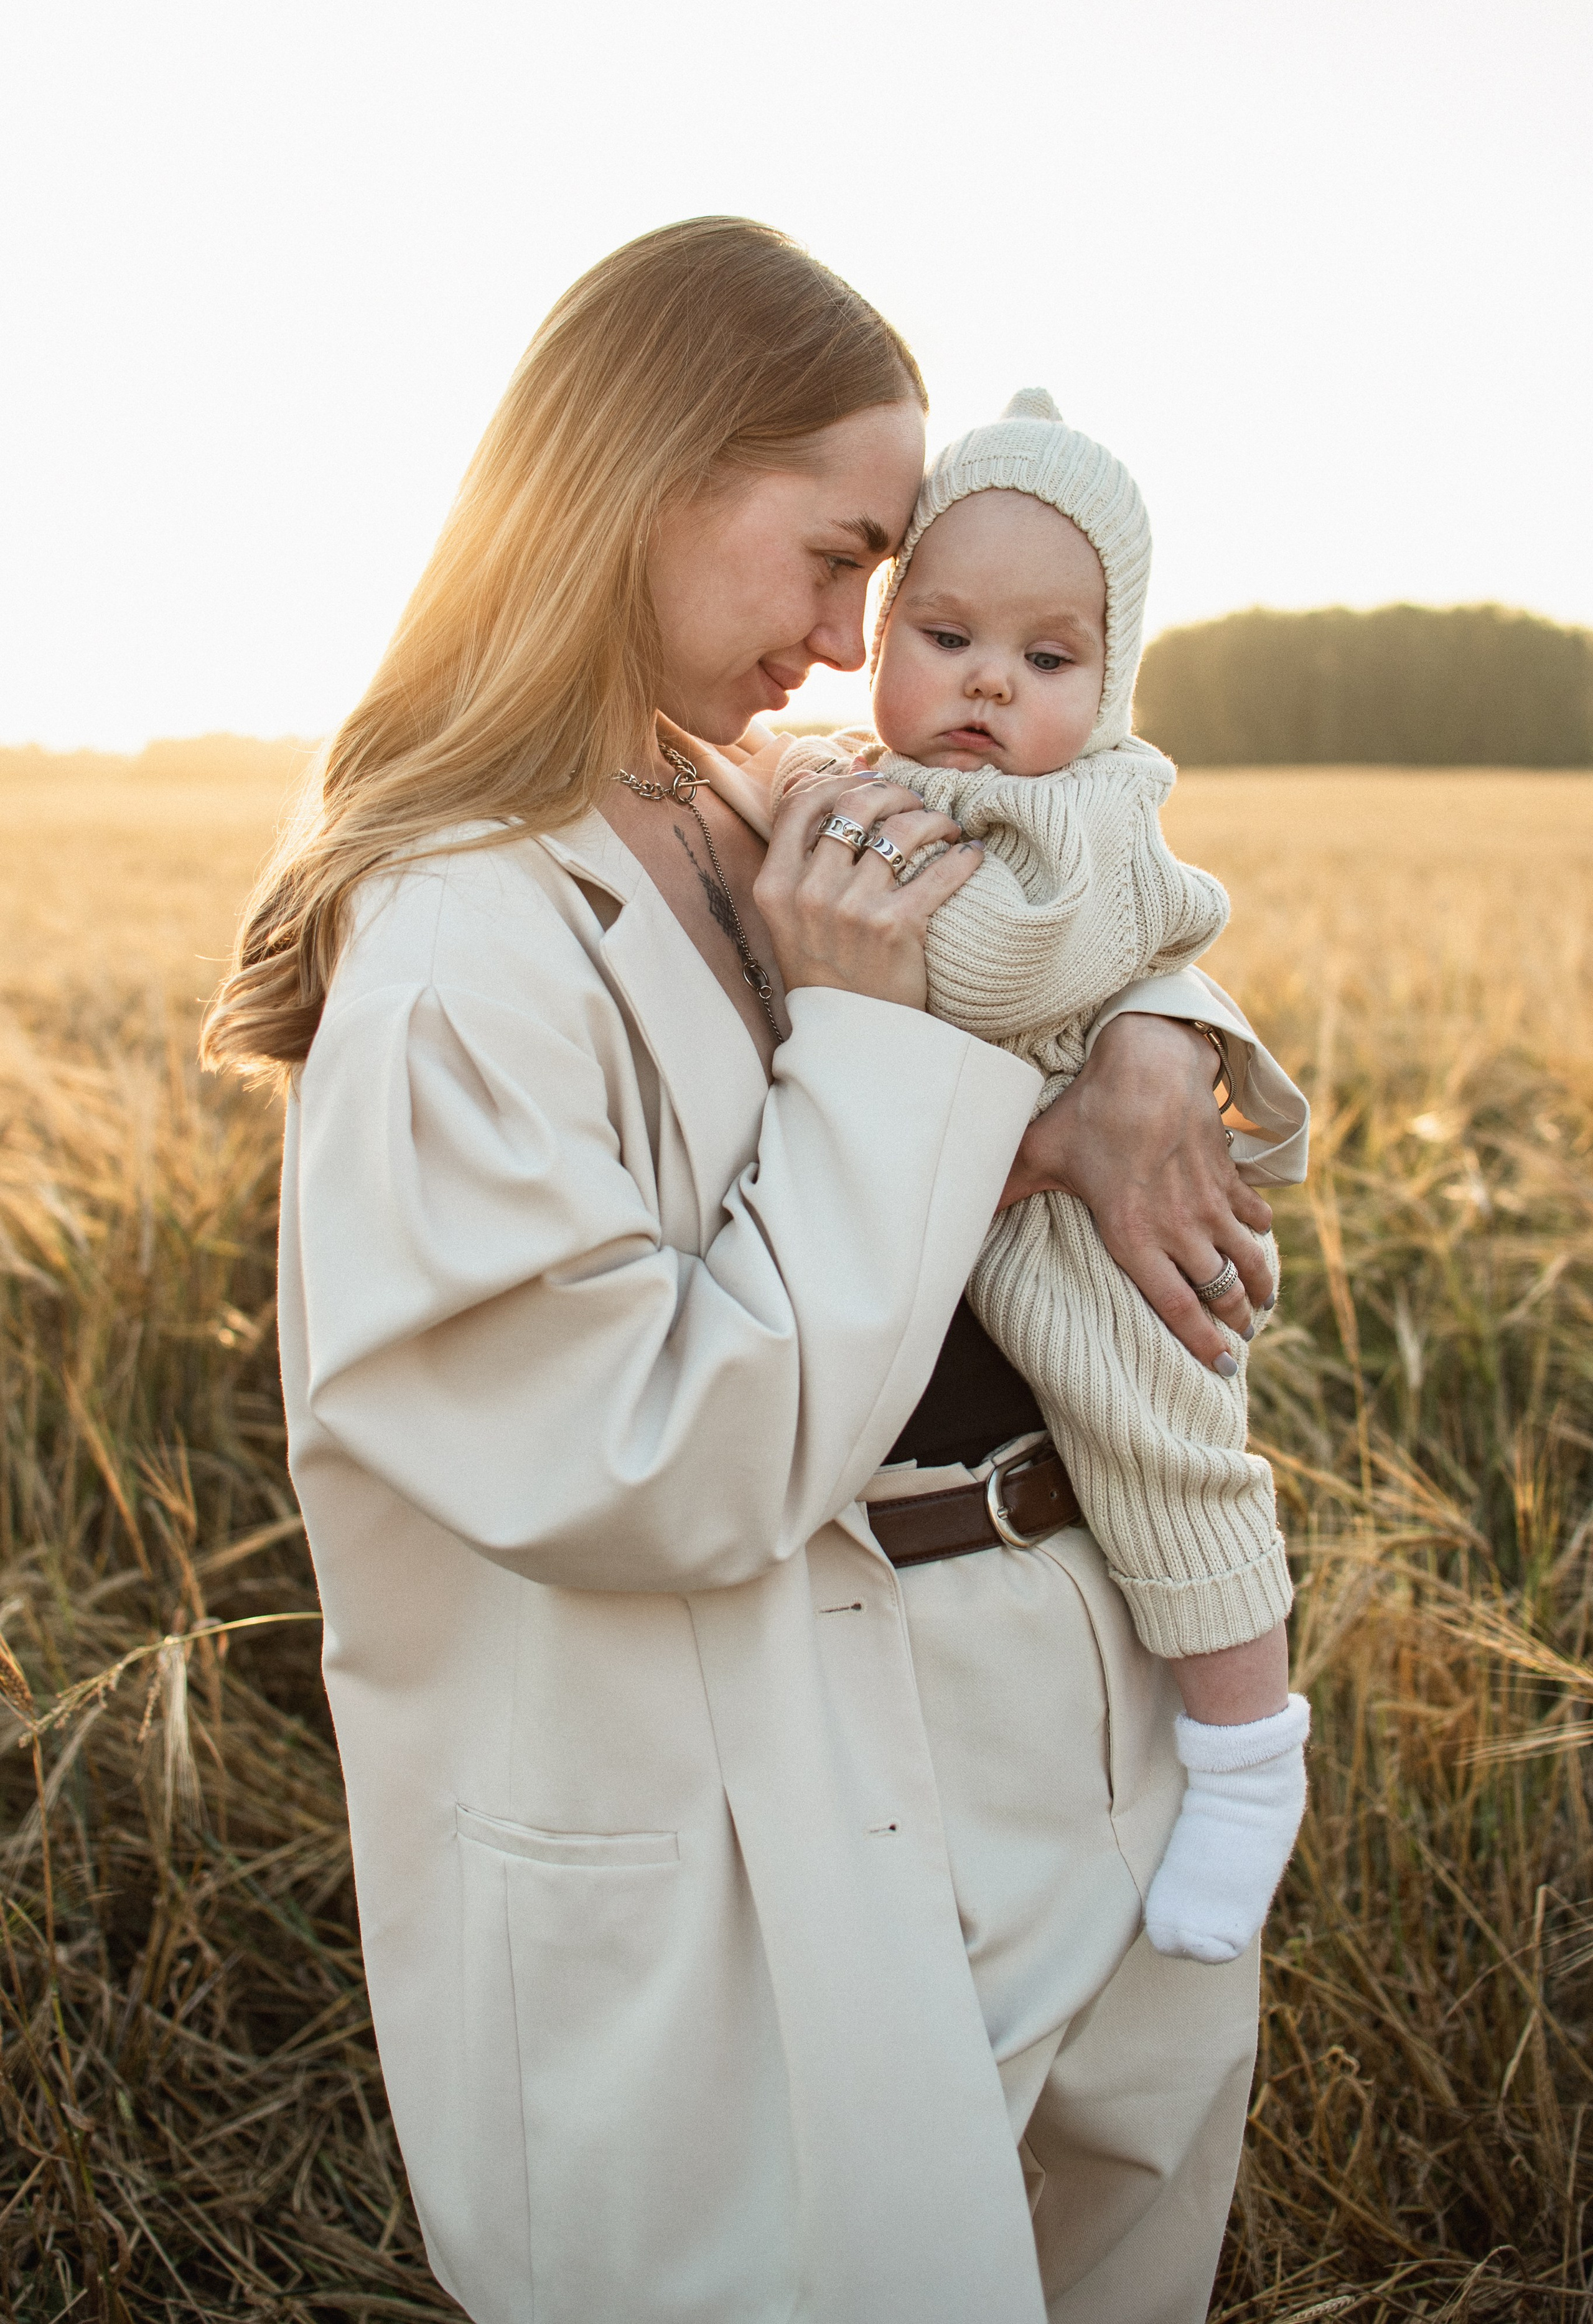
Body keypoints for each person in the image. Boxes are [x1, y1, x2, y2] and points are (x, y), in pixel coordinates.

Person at [203, 218, 1296, 2324]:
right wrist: (888, 1039)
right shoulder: (453, 940)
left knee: (1119, 2268)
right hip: (780, 1784)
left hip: (1075, 1691)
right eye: (835, 554)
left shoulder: (740, 794)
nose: (845, 634)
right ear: (656, 468)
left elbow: (1083, 910)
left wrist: (1157, 1041)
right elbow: (654, 1450)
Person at [757, 390, 1312, 1968]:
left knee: (1167, 1443)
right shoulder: (841, 778)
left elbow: (1009, 961)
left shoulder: (1095, 809)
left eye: (1047, 659)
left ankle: (1244, 1750)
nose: (988, 682)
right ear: (880, 636)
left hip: (1084, 1237)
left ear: (1110, 682)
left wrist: (869, 859)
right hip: (933, 1243)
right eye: (943, 633)